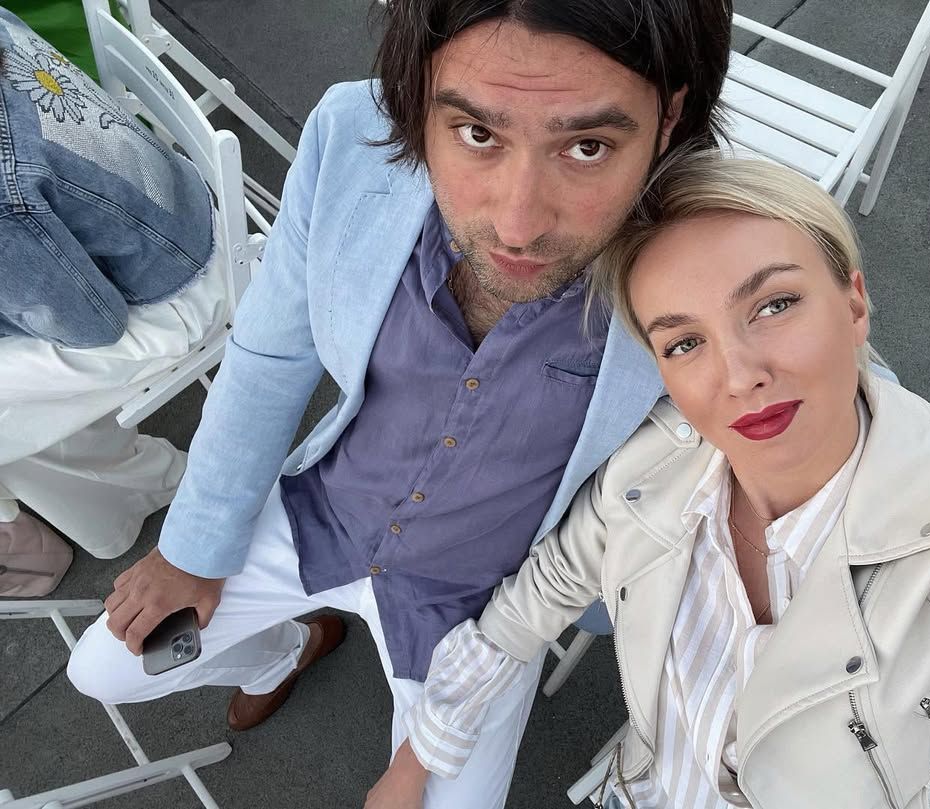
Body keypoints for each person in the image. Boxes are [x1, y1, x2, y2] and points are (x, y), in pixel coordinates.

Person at [65, 2, 731, 807]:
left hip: (485, 605)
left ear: (670, 119)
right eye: (477, 133)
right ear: (417, 94)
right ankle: (283, 651)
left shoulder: (717, 251)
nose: (517, 223)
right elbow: (272, 356)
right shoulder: (350, 136)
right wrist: (192, 550)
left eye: (587, 146)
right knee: (102, 669)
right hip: (324, 516)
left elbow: (829, 421)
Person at [386, 154, 930, 809]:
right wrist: (414, 761)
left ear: (854, 304)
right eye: (685, 342)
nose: (741, 375)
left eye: (774, 305)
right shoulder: (651, 471)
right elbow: (532, 600)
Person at [0, 7, 227, 561]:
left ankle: (139, 494)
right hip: (181, 199)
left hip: (178, 293)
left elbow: (95, 325)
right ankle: (125, 491)